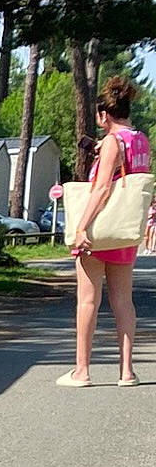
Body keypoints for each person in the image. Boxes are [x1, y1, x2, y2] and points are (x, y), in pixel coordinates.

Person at [61, 73, 147, 387]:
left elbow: (101, 189)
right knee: (123, 301)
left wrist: (81, 227)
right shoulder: (140, 139)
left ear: (103, 115)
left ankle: (81, 371)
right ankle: (127, 371)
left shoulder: (111, 141)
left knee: (88, 301)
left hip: (99, 231)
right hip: (124, 230)